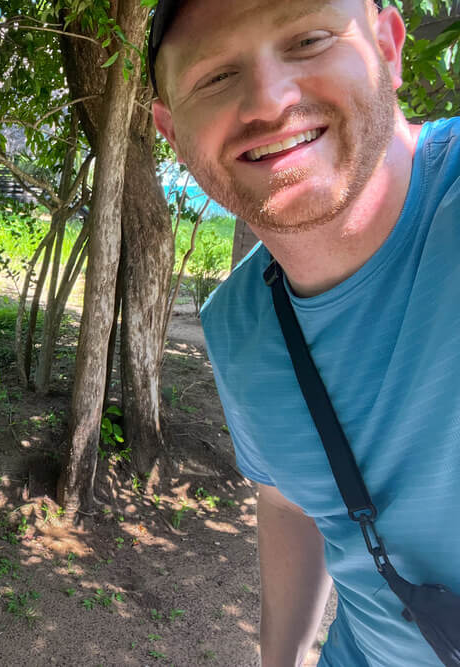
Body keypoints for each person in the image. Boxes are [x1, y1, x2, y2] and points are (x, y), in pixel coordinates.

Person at [149, 1, 460, 666]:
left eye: (309, 39)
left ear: (389, 41)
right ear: (172, 132)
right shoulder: (239, 323)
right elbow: (291, 497)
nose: (269, 100)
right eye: (215, 77)